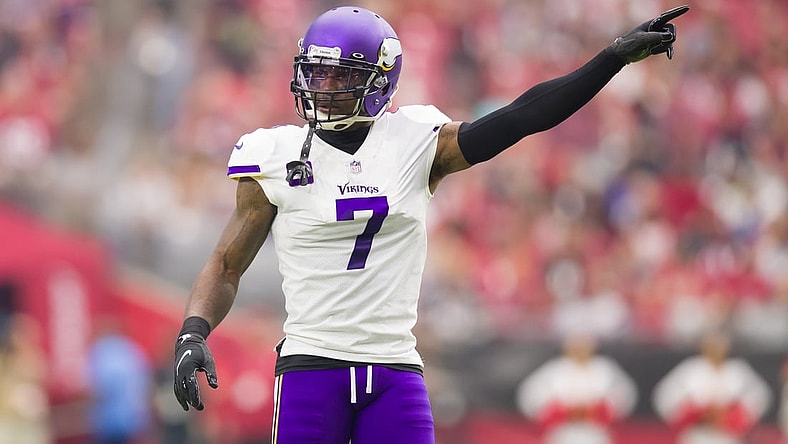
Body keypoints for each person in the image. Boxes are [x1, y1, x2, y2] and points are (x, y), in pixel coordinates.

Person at [173, 5, 690, 443]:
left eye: (342, 76)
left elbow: (522, 116)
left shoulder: (416, 141)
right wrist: (193, 333)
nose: (324, 87)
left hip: (395, 368)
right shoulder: (275, 154)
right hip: (312, 365)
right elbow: (225, 264)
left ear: (380, 80)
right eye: (317, 73)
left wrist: (609, 60)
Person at [652, 330, 771, 444]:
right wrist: (689, 414)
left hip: (728, 433)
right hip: (697, 432)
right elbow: (664, 395)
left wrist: (738, 416)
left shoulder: (737, 370)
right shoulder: (691, 369)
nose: (715, 349)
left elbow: (760, 396)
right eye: (712, 345)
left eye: (719, 345)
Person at [515, 334, 637, 444]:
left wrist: (600, 409)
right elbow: (531, 395)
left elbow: (625, 394)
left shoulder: (605, 368)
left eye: (584, 346)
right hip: (562, 430)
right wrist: (559, 410)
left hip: (595, 430)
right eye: (576, 346)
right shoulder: (554, 369)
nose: (580, 350)